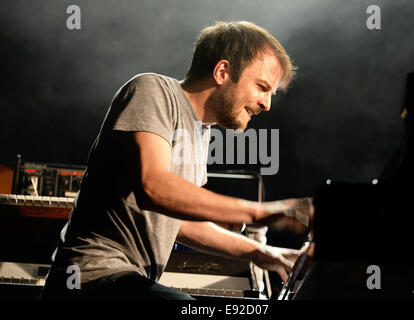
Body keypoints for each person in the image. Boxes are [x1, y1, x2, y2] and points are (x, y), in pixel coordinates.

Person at [42, 21, 312, 300]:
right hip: (89, 279)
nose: (267, 103)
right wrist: (266, 212)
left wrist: (261, 252)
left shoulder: (200, 133)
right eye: (262, 87)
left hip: (127, 280)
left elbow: (178, 222)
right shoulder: (152, 90)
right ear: (222, 72)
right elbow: (154, 187)